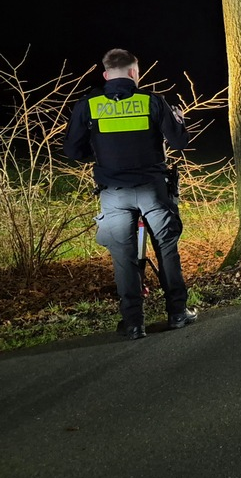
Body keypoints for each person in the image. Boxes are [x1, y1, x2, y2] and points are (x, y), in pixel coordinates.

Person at [63, 49, 196, 340]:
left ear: (106, 74)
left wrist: (99, 156)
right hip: (153, 191)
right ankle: (177, 313)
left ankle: (134, 323)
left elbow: (72, 150)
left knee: (123, 257)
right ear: (135, 73)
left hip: (114, 192)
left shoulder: (88, 106)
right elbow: (178, 142)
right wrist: (180, 120)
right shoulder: (152, 102)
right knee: (167, 250)